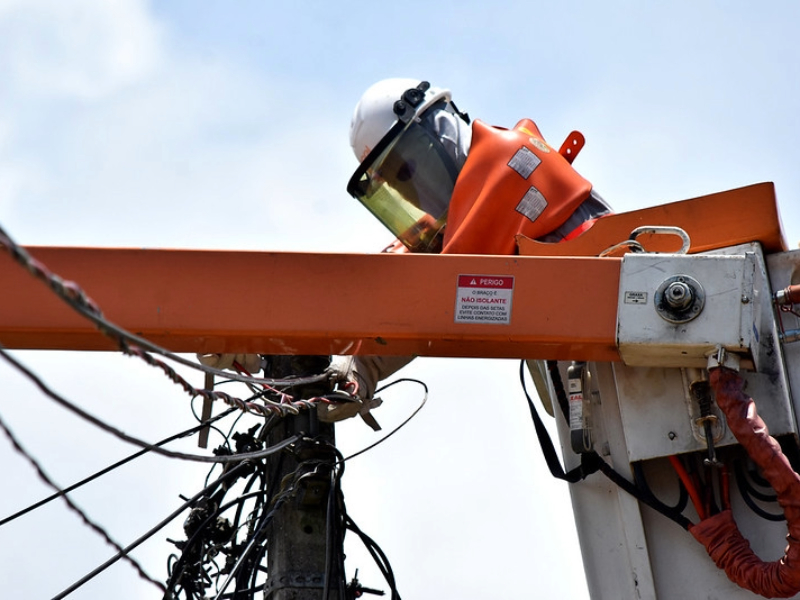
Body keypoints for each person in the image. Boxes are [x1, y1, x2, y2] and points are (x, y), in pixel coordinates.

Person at [202, 78, 611, 425]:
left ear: (439, 134)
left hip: (623, 360)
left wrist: (292, 332)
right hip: (602, 398)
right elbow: (398, 277)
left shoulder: (510, 164)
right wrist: (277, 339)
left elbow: (426, 289)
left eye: (407, 170)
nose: (412, 193)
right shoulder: (466, 224)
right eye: (396, 186)